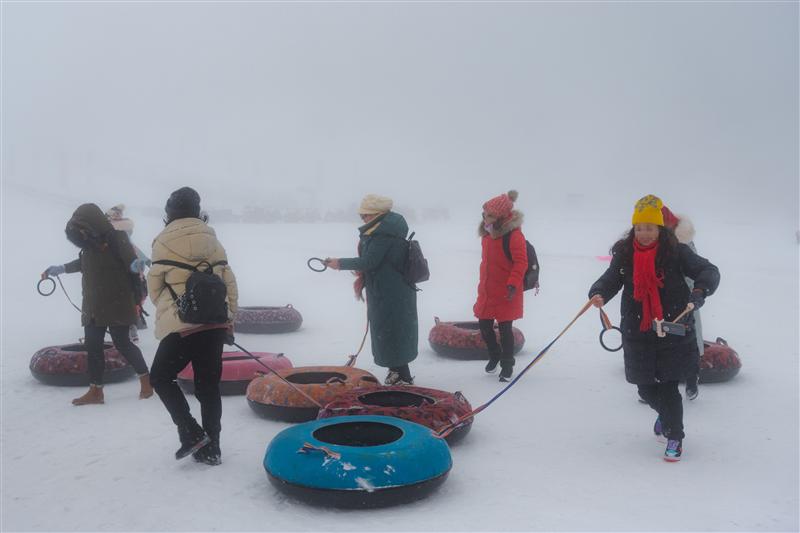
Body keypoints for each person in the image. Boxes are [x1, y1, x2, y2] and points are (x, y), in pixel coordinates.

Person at [588, 194, 720, 461]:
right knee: (644, 387)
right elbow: (611, 279)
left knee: (669, 387)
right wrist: (599, 292)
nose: (644, 233)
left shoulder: (676, 251)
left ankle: (675, 437)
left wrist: (700, 290)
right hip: (639, 330)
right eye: (639, 228)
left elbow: (709, 270)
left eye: (649, 228)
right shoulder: (625, 254)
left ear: (659, 228)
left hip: (672, 328)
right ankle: (667, 416)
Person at [147, 187, 238, 466]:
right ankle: (213, 447)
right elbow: (230, 283)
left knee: (161, 378)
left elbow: (154, 288)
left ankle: (190, 432)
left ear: (169, 213)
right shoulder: (213, 241)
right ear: (198, 211)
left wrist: (175, 308)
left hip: (181, 326)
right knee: (208, 387)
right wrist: (228, 320)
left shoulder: (162, 242)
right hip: (213, 325)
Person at [41, 203, 153, 405]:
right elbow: (82, 264)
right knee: (93, 346)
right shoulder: (88, 246)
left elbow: (131, 262)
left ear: (92, 224)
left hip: (117, 302)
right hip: (93, 305)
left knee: (123, 343)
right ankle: (96, 391)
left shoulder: (117, 239)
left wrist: (136, 265)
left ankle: (146, 379)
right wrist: (61, 269)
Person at [324, 194, 418, 386]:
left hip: (390, 292)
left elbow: (369, 261)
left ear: (377, 215)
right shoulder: (383, 230)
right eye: (362, 215)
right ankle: (398, 373)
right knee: (392, 331)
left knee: (392, 331)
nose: (363, 219)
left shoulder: (383, 234)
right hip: (389, 290)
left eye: (366, 215)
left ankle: (403, 376)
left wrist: (339, 263)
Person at [473, 190, 528, 382]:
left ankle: (507, 364)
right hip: (488, 290)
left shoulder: (513, 236)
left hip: (507, 291)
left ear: (501, 216)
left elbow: (521, 262)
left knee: (505, 330)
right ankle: (494, 354)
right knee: (484, 325)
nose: (485, 218)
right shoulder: (487, 235)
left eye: (489, 215)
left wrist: (513, 283)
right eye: (484, 214)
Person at [662, 205, 703, 400]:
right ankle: (656, 383)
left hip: (685, 300)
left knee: (688, 342)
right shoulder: (654, 241)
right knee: (660, 341)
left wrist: (692, 294)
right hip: (660, 301)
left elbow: (695, 271)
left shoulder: (685, 245)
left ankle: (691, 380)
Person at [105, 203, 150, 342]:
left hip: (130, 269)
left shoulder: (120, 230)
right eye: (116, 212)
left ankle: (132, 325)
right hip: (123, 269)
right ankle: (129, 325)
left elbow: (132, 248)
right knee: (130, 297)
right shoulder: (112, 231)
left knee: (133, 297)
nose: (118, 215)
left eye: (119, 213)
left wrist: (146, 260)